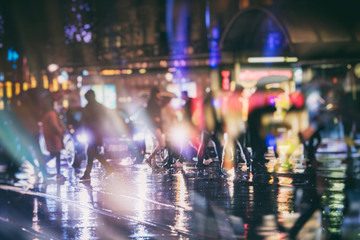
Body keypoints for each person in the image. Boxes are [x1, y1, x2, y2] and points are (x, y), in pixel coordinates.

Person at [79, 90, 115, 181]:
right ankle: (107, 168)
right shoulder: (99, 106)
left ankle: (88, 174)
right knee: (92, 152)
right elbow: (106, 119)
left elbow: (83, 120)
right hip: (96, 132)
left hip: (92, 133)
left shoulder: (88, 107)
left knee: (91, 152)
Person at [41, 96, 66, 181]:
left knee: (55, 154)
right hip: (54, 137)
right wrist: (61, 131)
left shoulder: (47, 113)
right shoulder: (51, 113)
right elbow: (55, 126)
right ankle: (57, 173)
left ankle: (57, 173)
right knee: (55, 154)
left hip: (50, 137)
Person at [144, 87, 167, 169]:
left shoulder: (155, 102)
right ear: (155, 94)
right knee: (162, 143)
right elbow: (149, 114)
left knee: (156, 144)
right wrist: (155, 118)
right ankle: (149, 159)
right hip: (154, 125)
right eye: (158, 93)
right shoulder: (151, 102)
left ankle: (154, 164)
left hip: (154, 125)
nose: (159, 95)